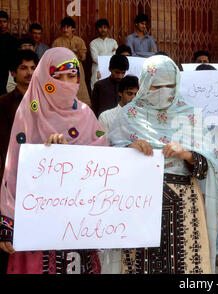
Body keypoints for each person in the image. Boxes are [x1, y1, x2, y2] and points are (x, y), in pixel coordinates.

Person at [107, 55, 218, 274]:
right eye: (156, 86)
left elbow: (206, 167)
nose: (163, 91)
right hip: (140, 202)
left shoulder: (189, 115)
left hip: (184, 204)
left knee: (186, 265)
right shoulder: (128, 116)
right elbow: (110, 165)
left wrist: (186, 154)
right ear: (145, 84)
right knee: (141, 263)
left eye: (169, 85)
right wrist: (129, 149)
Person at [0, 48, 106, 274]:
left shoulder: (86, 114)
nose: (66, 83)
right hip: (36, 220)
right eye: (57, 77)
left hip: (78, 223)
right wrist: (8, 223)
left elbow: (103, 162)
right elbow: (14, 168)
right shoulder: (29, 112)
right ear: (44, 78)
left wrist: (70, 157)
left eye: (71, 76)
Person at [0, 49, 37, 275]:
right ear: (13, 73)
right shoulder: (3, 103)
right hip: (10, 180)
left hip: (39, 181)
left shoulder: (47, 104)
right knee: (9, 245)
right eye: (23, 68)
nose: (29, 72)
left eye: (33, 68)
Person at [52, 17, 91, 107]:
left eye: (68, 27)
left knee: (80, 90)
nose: (65, 29)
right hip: (62, 71)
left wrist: (78, 51)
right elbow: (53, 59)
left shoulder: (79, 41)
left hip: (77, 70)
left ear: (73, 28)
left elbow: (83, 57)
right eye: (63, 27)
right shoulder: (57, 42)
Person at [90, 19, 118, 90]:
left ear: (108, 29)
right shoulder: (93, 43)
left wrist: (102, 56)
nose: (103, 30)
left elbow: (115, 57)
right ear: (97, 29)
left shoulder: (113, 42)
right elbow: (95, 58)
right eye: (100, 27)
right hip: (98, 69)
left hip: (111, 69)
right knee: (96, 89)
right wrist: (110, 54)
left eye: (105, 27)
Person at [0, 11, 17, 95]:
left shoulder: (12, 40)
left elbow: (14, 57)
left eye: (4, 22)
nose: (2, 24)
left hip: (7, 73)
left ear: (7, 23)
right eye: (0, 22)